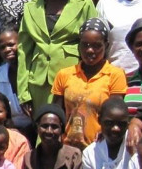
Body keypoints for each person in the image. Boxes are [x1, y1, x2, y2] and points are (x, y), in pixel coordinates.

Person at [18, 0, 98, 116]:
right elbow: (24, 50)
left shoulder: (85, 4)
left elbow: (95, 45)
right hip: (38, 82)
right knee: (44, 132)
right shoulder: (30, 7)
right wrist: (23, 92)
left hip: (73, 79)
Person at [52, 19, 128, 149]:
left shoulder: (115, 75)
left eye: (97, 45)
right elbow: (57, 113)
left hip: (99, 148)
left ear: (106, 46)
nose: (90, 50)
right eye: (85, 45)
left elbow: (114, 113)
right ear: (78, 46)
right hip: (68, 147)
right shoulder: (64, 75)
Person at [0, 27, 31, 130]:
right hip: (10, 129)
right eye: (2, 47)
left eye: (11, 45)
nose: (7, 50)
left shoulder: (34, 70)